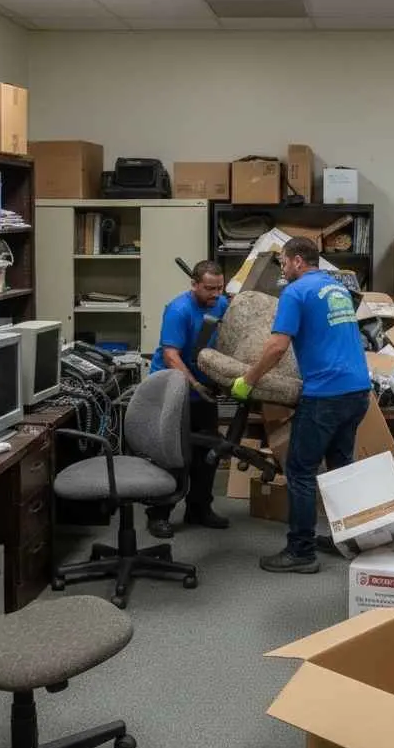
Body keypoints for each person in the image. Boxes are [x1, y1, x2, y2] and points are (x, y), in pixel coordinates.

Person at [233, 237, 370, 574]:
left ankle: (301, 551)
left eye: (283, 262)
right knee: (341, 470)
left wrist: (248, 379)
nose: (282, 269)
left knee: (300, 470)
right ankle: (346, 540)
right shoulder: (337, 288)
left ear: (297, 261)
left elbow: (277, 346)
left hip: (326, 395)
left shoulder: (296, 292)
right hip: (357, 391)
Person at [147, 260, 230, 538]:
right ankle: (159, 514)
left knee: (208, 450)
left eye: (219, 288)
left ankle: (199, 508)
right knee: (173, 455)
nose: (215, 294)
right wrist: (194, 384)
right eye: (209, 288)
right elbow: (171, 355)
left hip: (203, 388)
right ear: (194, 285)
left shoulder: (221, 304)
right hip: (173, 388)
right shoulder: (178, 310)